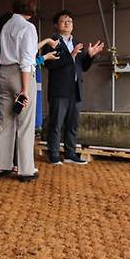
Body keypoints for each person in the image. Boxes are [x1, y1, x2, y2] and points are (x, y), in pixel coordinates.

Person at [0, 0, 59, 182]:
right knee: (25, 123)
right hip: (20, 75)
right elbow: (27, 60)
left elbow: (14, 51)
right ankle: (25, 169)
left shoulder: (6, 25)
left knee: (5, 121)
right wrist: (24, 89)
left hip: (3, 73)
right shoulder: (28, 28)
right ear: (32, 9)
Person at [42, 10, 104, 165]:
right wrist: (70, 55)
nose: (67, 23)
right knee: (56, 124)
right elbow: (50, 65)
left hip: (75, 90)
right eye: (63, 21)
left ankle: (70, 154)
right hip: (59, 90)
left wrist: (90, 56)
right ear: (56, 25)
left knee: (72, 124)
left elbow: (83, 67)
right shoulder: (52, 42)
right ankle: (54, 155)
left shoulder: (77, 43)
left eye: (70, 20)